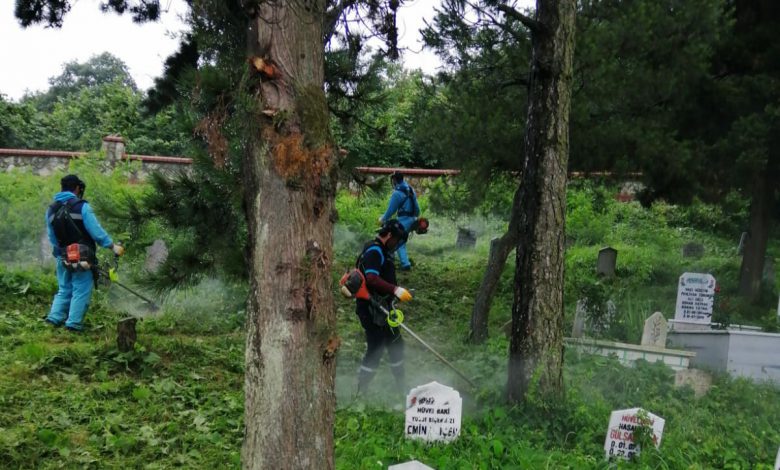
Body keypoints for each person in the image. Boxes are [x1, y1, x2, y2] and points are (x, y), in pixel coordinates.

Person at [45, 174, 124, 331]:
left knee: (64, 288)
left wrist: (61, 252)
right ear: (77, 188)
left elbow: (51, 236)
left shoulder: (51, 209)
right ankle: (73, 324)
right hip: (83, 257)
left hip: (62, 256)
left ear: (62, 188)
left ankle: (54, 318)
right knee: (80, 289)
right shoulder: (82, 207)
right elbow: (96, 232)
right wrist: (111, 246)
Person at [355, 219, 414, 396]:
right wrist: (395, 289)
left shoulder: (383, 251)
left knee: (396, 344)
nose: (397, 244)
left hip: (386, 309)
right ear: (388, 235)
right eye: (396, 240)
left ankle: (401, 386)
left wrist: (393, 294)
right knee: (376, 348)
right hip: (371, 310)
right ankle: (361, 391)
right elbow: (371, 278)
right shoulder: (374, 251)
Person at [378, 171, 420, 271]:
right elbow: (417, 208)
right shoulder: (410, 189)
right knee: (401, 240)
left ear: (394, 180)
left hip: (403, 221)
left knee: (397, 240)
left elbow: (390, 211)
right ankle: (398, 261)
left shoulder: (397, 193)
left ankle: (403, 264)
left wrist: (382, 219)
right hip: (413, 219)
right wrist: (415, 218)